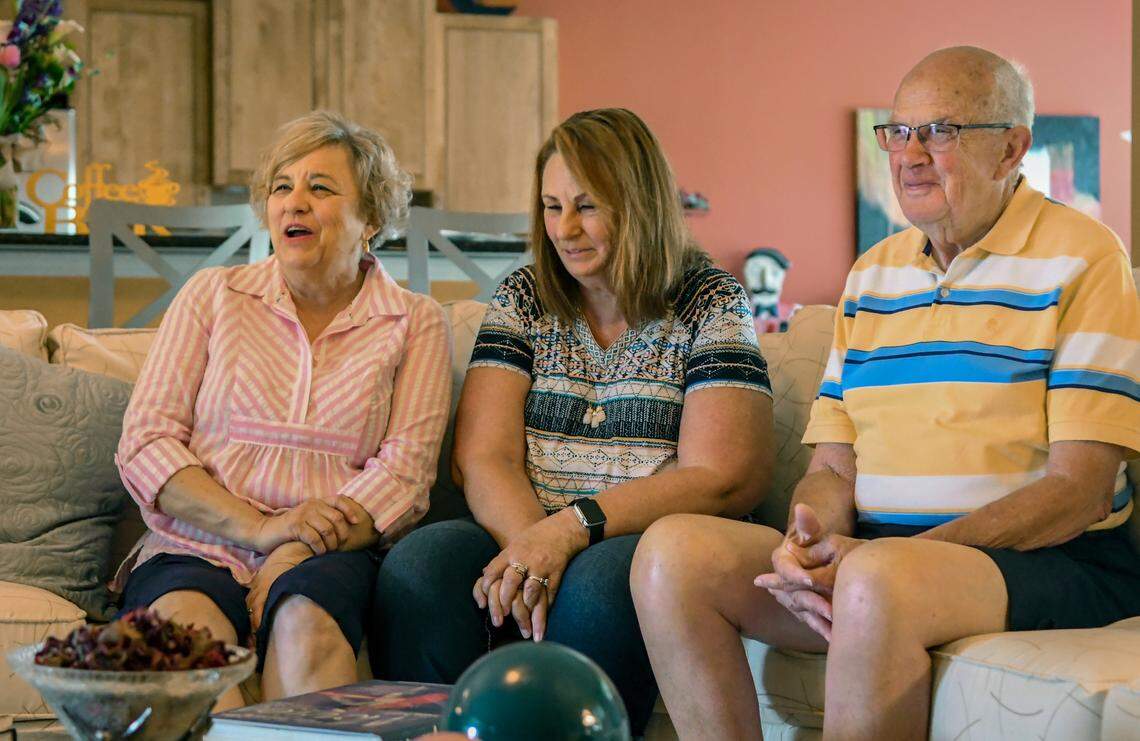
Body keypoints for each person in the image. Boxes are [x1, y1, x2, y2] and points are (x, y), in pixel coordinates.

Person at [632, 46, 1140, 740]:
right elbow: (833, 467)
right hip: (882, 562)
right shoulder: (872, 277)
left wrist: (907, 556)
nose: (910, 154)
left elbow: (1079, 490)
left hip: (1048, 563)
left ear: (1011, 148)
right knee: (672, 555)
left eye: (940, 130)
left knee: (877, 582)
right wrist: (808, 536)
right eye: (897, 132)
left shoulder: (1086, 258)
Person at [372, 108, 774, 734]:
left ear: (637, 205)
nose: (565, 229)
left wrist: (571, 533)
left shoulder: (709, 298)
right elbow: (482, 458)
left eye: (587, 207)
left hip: (635, 540)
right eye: (551, 207)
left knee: (597, 587)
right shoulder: (525, 295)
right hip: (525, 528)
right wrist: (536, 545)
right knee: (420, 567)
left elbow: (724, 475)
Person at [114, 111, 451, 710]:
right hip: (197, 541)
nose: (293, 203)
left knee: (307, 629)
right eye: (280, 187)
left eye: (320, 188)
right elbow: (146, 444)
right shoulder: (213, 294)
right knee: (185, 653)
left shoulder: (414, 321)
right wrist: (261, 529)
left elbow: (404, 477)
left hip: (326, 553)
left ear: (370, 217)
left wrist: (297, 546)